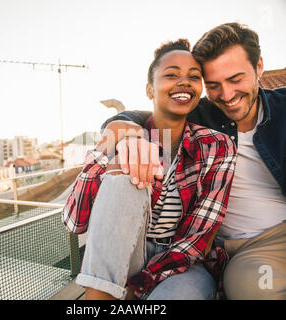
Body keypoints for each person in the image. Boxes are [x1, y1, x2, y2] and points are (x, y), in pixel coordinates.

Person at [100, 22, 286, 300]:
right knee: (246, 286)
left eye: (236, 79)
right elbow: (140, 116)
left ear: (259, 66)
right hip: (230, 248)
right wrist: (125, 132)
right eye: (213, 85)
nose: (227, 95)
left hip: (278, 234)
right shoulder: (200, 114)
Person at [62, 39, 237, 300]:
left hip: (183, 263)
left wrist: (140, 285)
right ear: (149, 89)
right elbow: (74, 221)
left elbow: (200, 235)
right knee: (124, 170)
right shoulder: (123, 136)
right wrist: (113, 150)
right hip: (124, 252)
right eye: (171, 75)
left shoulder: (217, 146)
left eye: (194, 76)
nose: (184, 82)